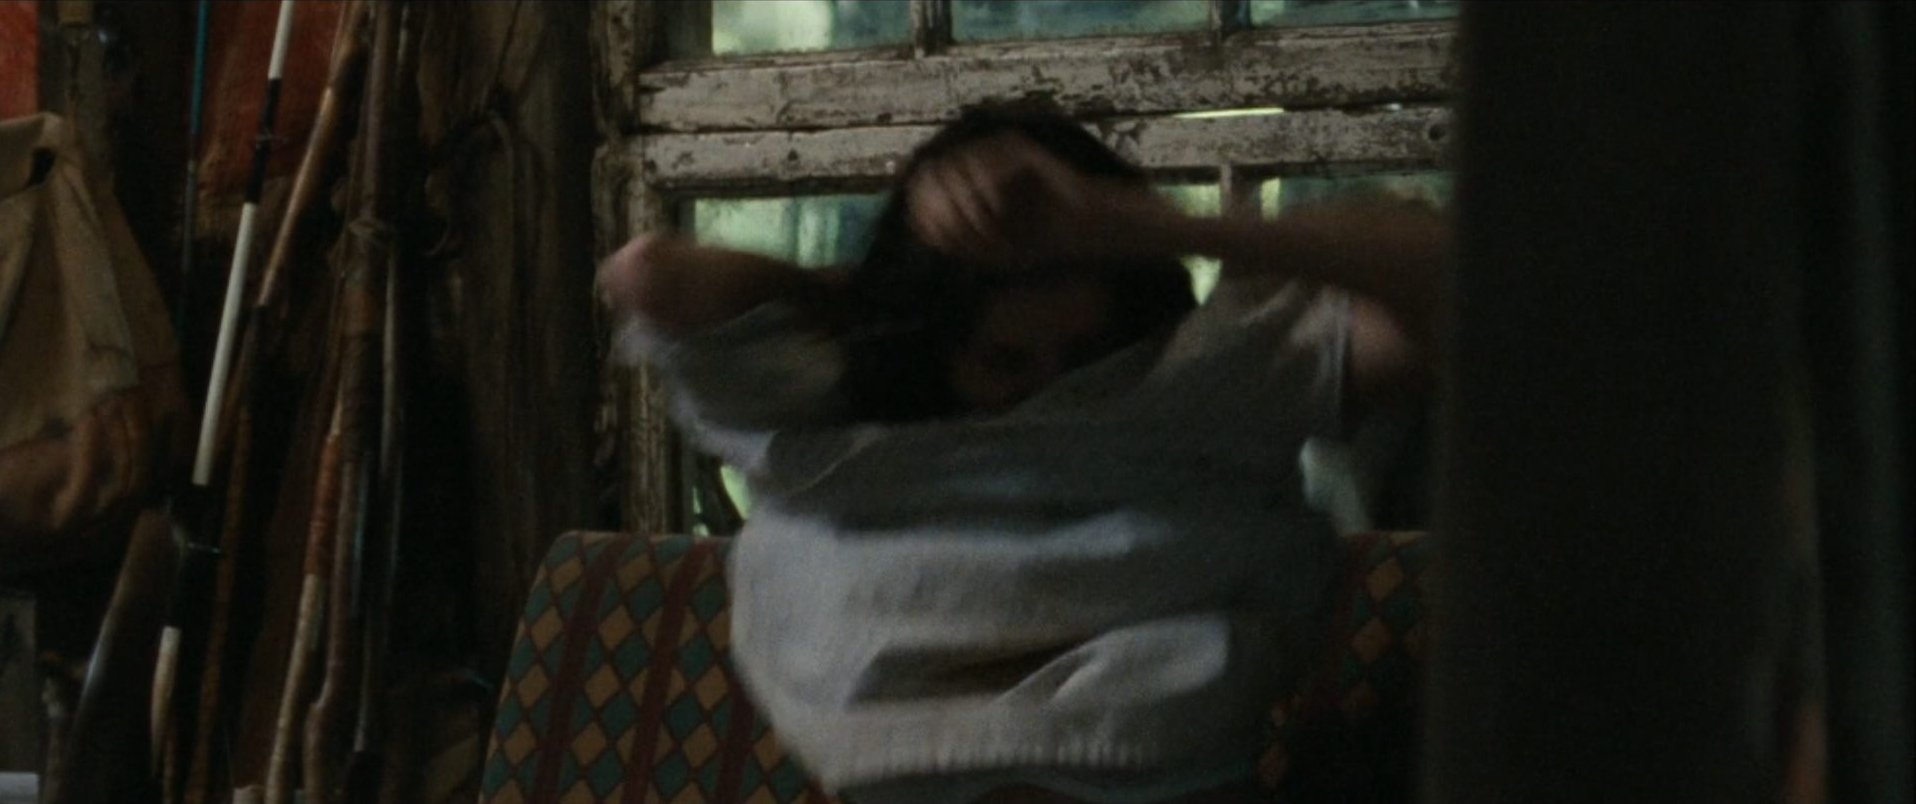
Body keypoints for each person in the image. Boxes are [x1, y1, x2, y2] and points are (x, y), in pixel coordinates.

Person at [599, 104, 1443, 804]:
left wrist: (1134, 223)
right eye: (1005, 361)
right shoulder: (848, 420)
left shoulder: (1202, 379)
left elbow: (1458, 281)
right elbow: (651, 278)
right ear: (941, 345)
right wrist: (894, 281)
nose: (1047, 386)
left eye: (1083, 356)